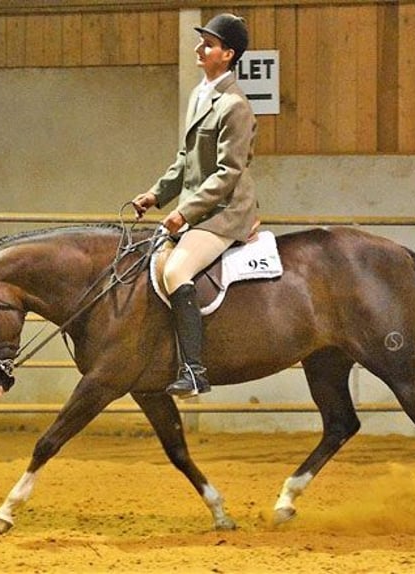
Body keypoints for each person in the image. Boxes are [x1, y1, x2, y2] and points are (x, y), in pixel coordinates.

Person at [132, 13, 258, 399]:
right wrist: (157, 194)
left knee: (176, 270)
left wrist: (184, 213)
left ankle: (193, 369)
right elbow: (186, 159)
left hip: (226, 211)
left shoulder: (234, 105)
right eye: (201, 42)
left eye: (208, 44)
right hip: (198, 207)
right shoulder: (200, 95)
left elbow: (228, 172)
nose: (199, 49)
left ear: (228, 54)